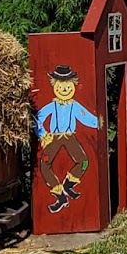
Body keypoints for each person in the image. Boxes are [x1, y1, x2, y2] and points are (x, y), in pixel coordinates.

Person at [33, 65, 100, 213]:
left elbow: (86, 118)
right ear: (55, 86)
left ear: (73, 86)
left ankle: (68, 184)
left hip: (70, 137)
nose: (64, 90)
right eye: (60, 86)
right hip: (54, 138)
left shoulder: (74, 105)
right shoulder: (52, 106)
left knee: (84, 162)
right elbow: (37, 119)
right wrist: (43, 134)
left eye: (68, 86)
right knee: (45, 164)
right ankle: (59, 195)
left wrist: (100, 122)